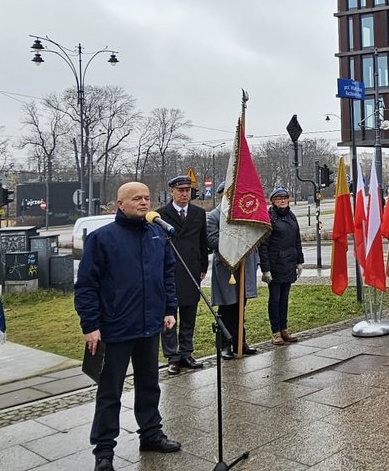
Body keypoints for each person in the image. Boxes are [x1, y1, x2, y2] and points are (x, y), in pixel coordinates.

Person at [75, 182, 182, 471]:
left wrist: (169, 309)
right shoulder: (102, 239)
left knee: (149, 385)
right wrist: (90, 325)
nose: (144, 202)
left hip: (149, 325)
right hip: (115, 328)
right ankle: (104, 450)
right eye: (136, 198)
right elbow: (86, 285)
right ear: (120, 204)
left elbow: (167, 274)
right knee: (110, 392)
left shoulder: (158, 234)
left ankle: (151, 434)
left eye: (147, 198)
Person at [156, 175, 210, 375]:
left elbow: (202, 242)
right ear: (172, 191)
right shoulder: (160, 215)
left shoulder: (198, 213)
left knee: (189, 313)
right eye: (180, 190)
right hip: (169, 271)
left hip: (191, 269)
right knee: (169, 314)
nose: (185, 194)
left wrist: (203, 266)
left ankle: (186, 353)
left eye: (187, 190)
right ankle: (172, 357)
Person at [206, 205, 260, 359]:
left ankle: (239, 341)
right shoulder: (214, 216)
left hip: (244, 265)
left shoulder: (243, 213)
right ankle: (225, 344)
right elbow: (212, 241)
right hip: (226, 268)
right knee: (227, 307)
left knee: (241, 306)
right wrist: (235, 242)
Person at [261, 186, 305, 345]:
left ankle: (284, 328)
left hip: (289, 263)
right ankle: (276, 332)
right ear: (273, 201)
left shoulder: (291, 216)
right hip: (275, 265)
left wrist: (299, 261)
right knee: (275, 299)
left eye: (285, 198)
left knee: (284, 299)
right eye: (279, 199)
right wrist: (265, 269)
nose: (283, 201)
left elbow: (297, 240)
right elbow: (263, 245)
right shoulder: (269, 218)